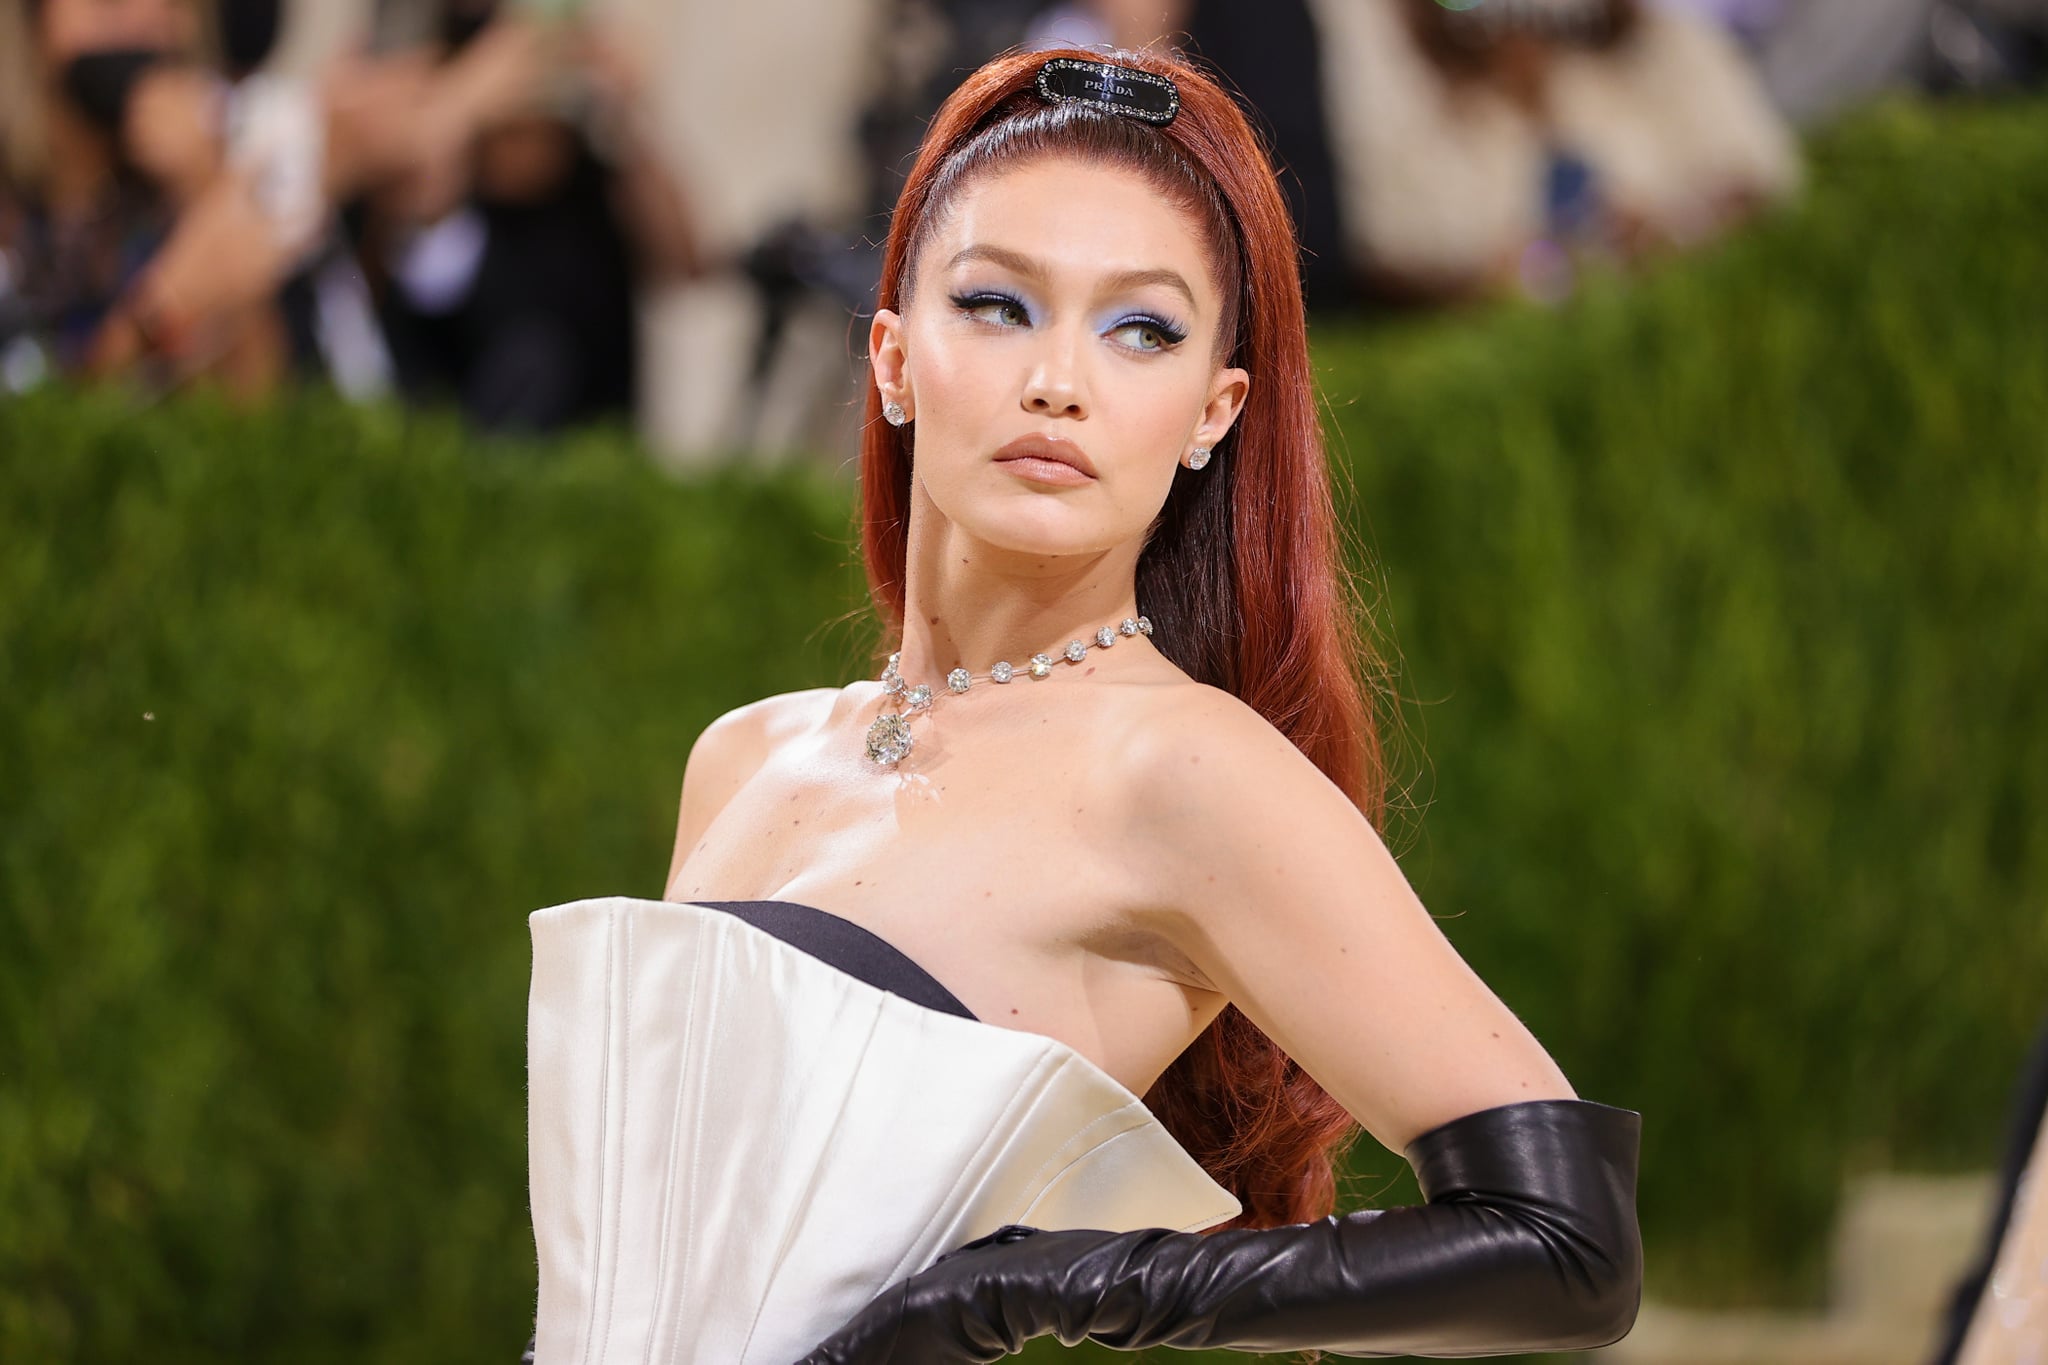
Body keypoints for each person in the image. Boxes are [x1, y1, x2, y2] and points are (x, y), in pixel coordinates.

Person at [520, 46, 1642, 1364]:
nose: (1059, 378)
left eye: (1142, 328)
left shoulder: (1180, 771)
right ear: (891, 357)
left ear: (1212, 412)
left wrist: (1030, 1288)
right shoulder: (744, 759)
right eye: (998, 304)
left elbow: (1569, 1239)